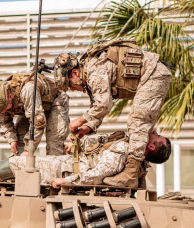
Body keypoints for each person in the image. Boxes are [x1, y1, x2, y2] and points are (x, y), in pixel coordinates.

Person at [53, 39, 172, 188]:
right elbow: (98, 106)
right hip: (153, 75)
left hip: (154, 75)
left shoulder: (93, 72)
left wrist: (78, 121)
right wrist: (87, 128)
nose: (72, 89)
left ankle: (130, 175)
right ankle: (136, 175)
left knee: (138, 121)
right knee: (140, 130)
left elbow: (103, 106)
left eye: (69, 85)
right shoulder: (91, 72)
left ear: (75, 73)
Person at [0, 130, 171, 192]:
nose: (153, 132)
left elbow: (98, 174)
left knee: (19, 165)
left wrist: (67, 182)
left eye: (156, 136)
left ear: (151, 146)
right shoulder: (135, 158)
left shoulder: (124, 150)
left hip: (68, 172)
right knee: (22, 159)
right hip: (69, 163)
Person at [0, 72, 70, 156]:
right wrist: (12, 139)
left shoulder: (28, 90)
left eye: (6, 109)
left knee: (54, 146)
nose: (4, 112)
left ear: (10, 96)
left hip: (54, 101)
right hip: (29, 108)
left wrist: (28, 150)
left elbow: (38, 123)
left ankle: (56, 169)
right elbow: (4, 122)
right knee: (20, 145)